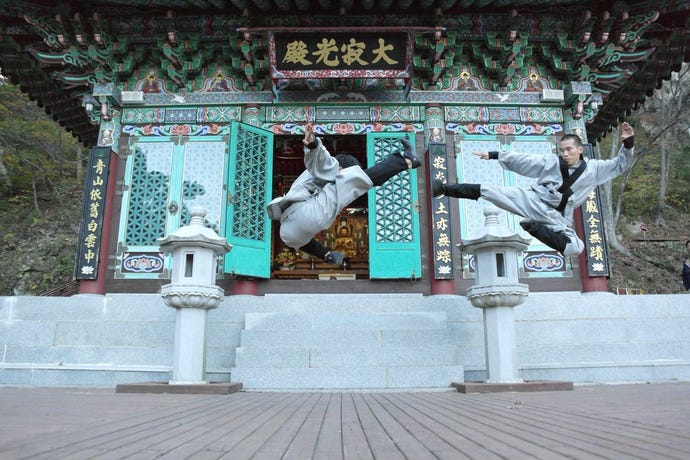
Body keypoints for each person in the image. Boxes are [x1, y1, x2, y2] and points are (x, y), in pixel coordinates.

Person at [433, 122, 635, 257]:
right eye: (562, 150)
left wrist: (628, 143)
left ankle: (533, 227)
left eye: (569, 149)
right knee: (490, 190)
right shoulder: (551, 162)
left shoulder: (595, 170)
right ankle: (444, 189)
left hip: (557, 217)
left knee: (576, 247)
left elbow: (619, 164)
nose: (564, 153)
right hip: (532, 200)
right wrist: (494, 155)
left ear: (580, 149)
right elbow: (524, 160)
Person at [268, 124, 421, 266]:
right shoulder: (334, 166)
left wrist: (326, 254)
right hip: (304, 215)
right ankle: (406, 160)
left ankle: (326, 254)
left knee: (359, 182)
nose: (347, 175)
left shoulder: (318, 175)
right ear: (341, 167)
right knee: (359, 182)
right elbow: (323, 162)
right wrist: (313, 143)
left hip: (288, 233)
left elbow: (318, 163)